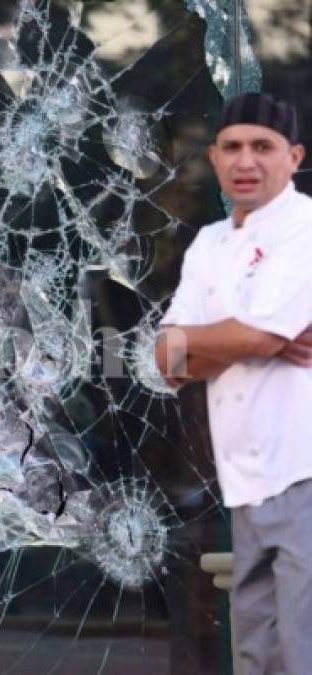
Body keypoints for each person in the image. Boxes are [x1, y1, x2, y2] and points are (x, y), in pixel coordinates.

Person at [155, 92, 312, 675]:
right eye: (233, 147)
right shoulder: (209, 245)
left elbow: (259, 339)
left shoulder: (306, 229)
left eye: (263, 147)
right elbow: (164, 359)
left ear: (293, 157)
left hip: (302, 471)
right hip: (242, 481)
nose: (247, 161)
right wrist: (237, 339)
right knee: (256, 655)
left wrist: (206, 341)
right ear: (216, 158)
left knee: (302, 653)